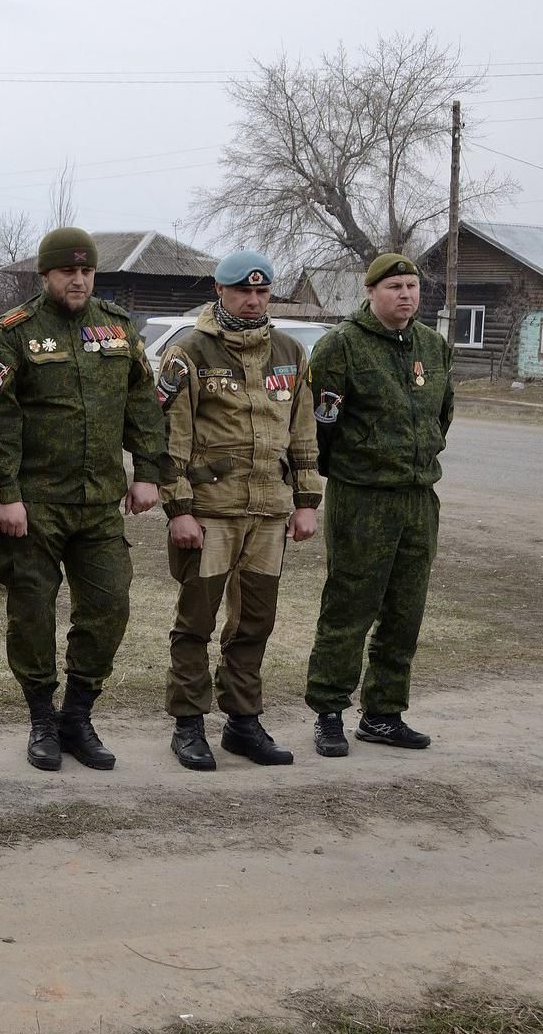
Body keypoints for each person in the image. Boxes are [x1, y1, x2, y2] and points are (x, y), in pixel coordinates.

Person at [0, 227, 166, 771]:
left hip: (101, 502)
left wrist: (147, 471)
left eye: (86, 271)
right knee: (32, 612)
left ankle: (78, 715)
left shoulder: (118, 329)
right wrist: (7, 494)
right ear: (46, 276)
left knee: (110, 605)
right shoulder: (13, 335)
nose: (78, 280)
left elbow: (142, 406)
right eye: (67, 271)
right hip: (35, 505)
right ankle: (41, 718)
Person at [155, 250, 320, 771]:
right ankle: (188, 726)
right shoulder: (188, 353)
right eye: (242, 292)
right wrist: (178, 507)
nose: (253, 301)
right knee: (195, 622)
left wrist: (307, 501)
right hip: (211, 512)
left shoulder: (291, 351)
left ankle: (243, 724)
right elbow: (170, 439)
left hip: (269, 511)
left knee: (254, 622)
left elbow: (303, 431)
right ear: (219, 292)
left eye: (262, 292)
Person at [303, 252, 455, 757]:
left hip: (417, 497)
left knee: (405, 609)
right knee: (350, 605)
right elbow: (320, 426)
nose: (406, 295)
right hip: (362, 496)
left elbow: (442, 414)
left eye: (412, 286)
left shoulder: (433, 347)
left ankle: (384, 713)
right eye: (394, 287)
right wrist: (355, 466)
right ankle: (329, 711)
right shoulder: (341, 346)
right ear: (371, 292)